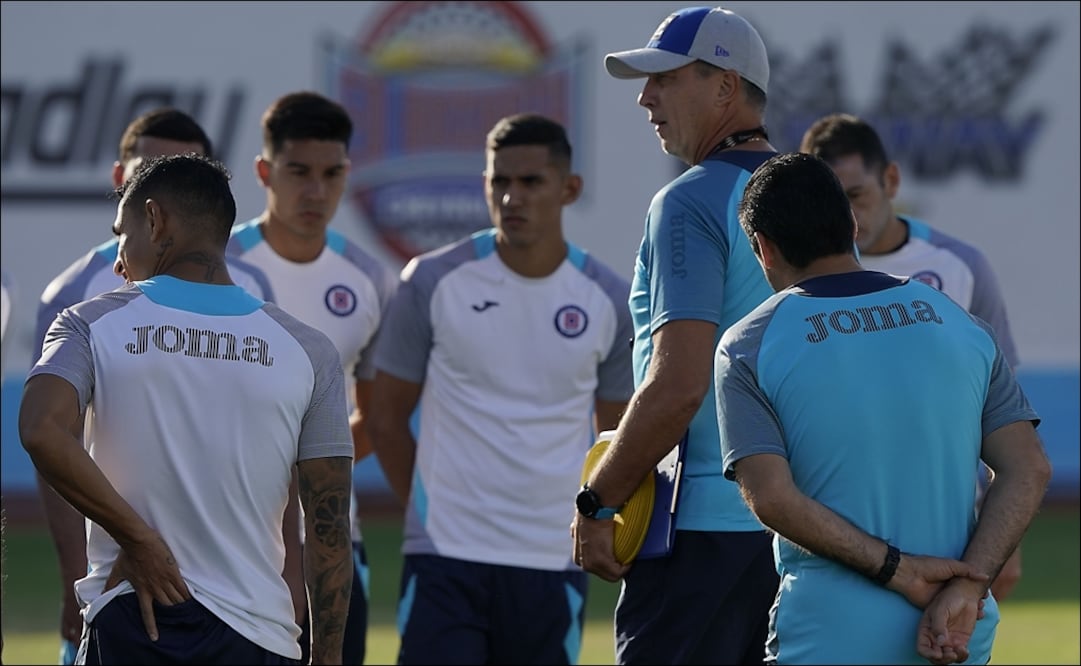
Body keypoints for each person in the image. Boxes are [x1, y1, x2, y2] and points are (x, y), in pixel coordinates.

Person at [714, 151, 1052, 664]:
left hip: (829, 635)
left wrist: (900, 571)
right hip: (957, 629)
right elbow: (1028, 467)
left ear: (763, 248)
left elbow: (772, 499)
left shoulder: (748, 345)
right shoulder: (957, 322)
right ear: (851, 224)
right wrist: (968, 587)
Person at [18, 153, 355, 663]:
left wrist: (139, 541)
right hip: (259, 637)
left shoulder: (89, 323)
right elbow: (329, 529)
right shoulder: (309, 350)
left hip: (135, 621)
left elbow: (40, 428)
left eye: (121, 235)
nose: (118, 262)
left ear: (154, 219)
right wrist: (327, 658)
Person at [366, 112, 634, 665]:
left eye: (531, 181)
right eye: (500, 182)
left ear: (569, 188)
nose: (512, 197)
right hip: (445, 557)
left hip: (550, 557)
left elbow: (614, 439)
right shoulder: (432, 280)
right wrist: (431, 512)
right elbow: (386, 418)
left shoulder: (607, 298)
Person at [571, 7, 781, 664]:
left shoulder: (690, 199)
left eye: (665, 78)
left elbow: (678, 385)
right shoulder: (814, 194)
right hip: (803, 530)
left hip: (700, 534)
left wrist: (597, 501)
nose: (645, 98)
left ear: (725, 86)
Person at [30, 107, 275, 666]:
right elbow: (53, 440)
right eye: (150, 169)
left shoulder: (255, 289)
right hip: (119, 581)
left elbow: (273, 434)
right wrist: (78, 578)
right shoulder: (74, 296)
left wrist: (286, 576)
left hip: (238, 588)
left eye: (183, 168)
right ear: (124, 180)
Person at [798, 112, 1025, 601]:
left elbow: (1002, 405)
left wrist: (1007, 537)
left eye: (856, 196)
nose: (847, 218)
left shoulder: (959, 267)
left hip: (947, 522)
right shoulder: (797, 280)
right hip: (831, 525)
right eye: (832, 202)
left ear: (892, 180)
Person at [227, 90, 398, 665]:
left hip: (330, 540)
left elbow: (374, 417)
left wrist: (306, 469)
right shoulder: (217, 265)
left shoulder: (370, 279)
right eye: (298, 172)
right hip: (228, 540)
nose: (316, 191)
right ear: (264, 172)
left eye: (332, 174)